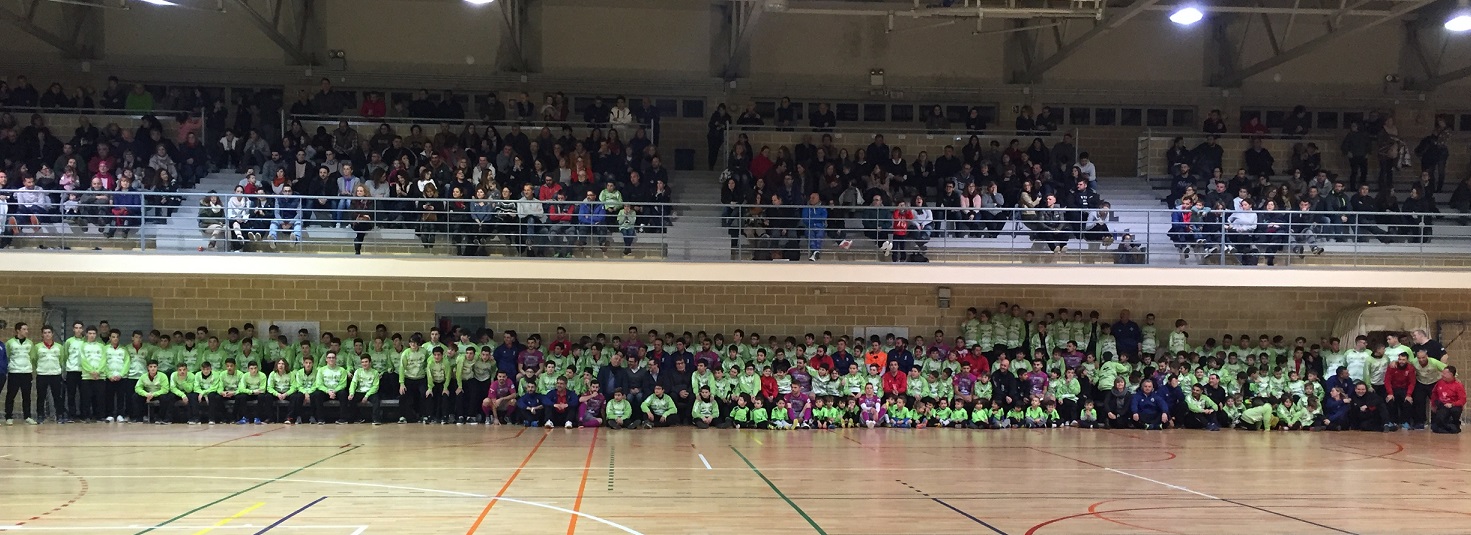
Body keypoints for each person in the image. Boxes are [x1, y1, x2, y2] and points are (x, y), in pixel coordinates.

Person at [1430, 367, 1464, 434]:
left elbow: (1462, 399)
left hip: (1452, 406)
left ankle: (1453, 426)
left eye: (1444, 373)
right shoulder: (1440, 382)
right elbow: (1434, 393)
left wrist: (1452, 404)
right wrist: (1433, 404)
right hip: (1442, 405)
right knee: (1436, 426)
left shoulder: (1458, 385)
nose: (1442, 375)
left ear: (1451, 374)